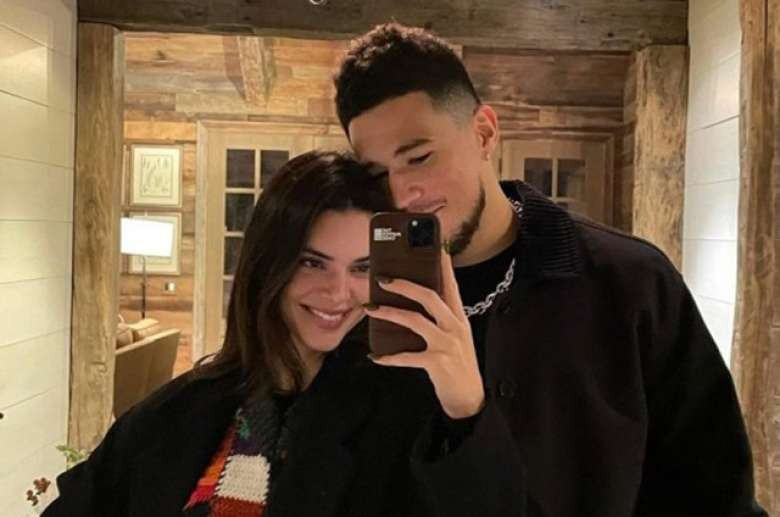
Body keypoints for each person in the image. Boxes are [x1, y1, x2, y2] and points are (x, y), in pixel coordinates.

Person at [334, 23, 768, 516]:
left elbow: (715, 493)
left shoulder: (630, 282)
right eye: (376, 174)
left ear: (483, 133)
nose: (401, 193)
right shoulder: (369, 301)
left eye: (419, 157)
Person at [42, 151, 451, 516]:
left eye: (361, 268)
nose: (338, 292)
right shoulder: (176, 412)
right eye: (312, 262)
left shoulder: (403, 418)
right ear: (269, 264)